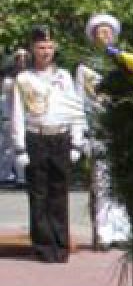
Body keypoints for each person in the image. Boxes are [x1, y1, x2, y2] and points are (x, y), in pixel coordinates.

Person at [10, 25, 85, 263]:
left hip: (60, 137)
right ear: (33, 49)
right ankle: (43, 246)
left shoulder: (64, 77)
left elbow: (75, 109)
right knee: (39, 193)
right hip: (36, 137)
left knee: (59, 192)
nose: (46, 51)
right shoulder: (23, 79)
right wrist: (19, 147)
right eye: (41, 47)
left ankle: (61, 245)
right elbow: (17, 115)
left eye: (50, 47)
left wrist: (77, 141)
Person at [77, 13, 132, 250]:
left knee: (121, 184)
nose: (104, 35)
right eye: (100, 32)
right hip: (98, 129)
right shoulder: (85, 68)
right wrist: (81, 134)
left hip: (121, 128)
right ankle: (103, 233)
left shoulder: (123, 62)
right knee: (101, 184)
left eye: (108, 32)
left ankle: (122, 231)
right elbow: (80, 101)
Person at [1, 48, 30, 186]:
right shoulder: (9, 78)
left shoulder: (32, 75)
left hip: (27, 117)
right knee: (8, 149)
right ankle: (4, 175)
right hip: (10, 117)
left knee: (24, 147)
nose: (22, 60)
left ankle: (22, 177)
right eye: (20, 58)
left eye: (25, 57)